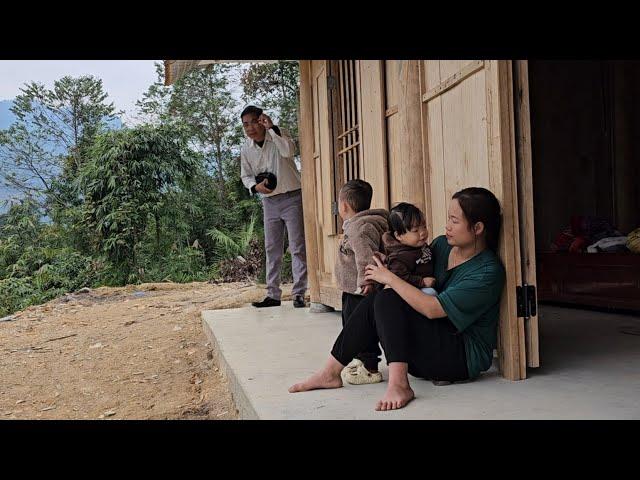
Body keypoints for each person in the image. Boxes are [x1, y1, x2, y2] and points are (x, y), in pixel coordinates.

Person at [289, 187, 506, 411]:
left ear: (478, 228)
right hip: (430, 344)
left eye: (454, 221)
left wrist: (390, 278)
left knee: (388, 297)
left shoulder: (487, 271)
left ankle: (400, 384)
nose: (447, 226)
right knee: (377, 298)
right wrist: (387, 263)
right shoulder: (441, 245)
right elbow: (410, 262)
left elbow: (433, 309)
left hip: (459, 359)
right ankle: (330, 373)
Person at [239, 105, 307, 309]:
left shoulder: (278, 134)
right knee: (272, 248)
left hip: (292, 197)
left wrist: (272, 129)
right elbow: (245, 175)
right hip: (269, 202)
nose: (250, 128)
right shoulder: (246, 149)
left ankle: (299, 293)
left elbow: (289, 151)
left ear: (262, 119)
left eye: (253, 122)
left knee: (297, 247)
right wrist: (255, 186)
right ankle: (273, 295)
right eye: (245, 124)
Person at [333, 179, 389, 385]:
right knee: (354, 326)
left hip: (358, 289)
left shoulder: (359, 228)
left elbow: (365, 255)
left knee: (356, 327)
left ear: (344, 205)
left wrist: (366, 281)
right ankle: (362, 361)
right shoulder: (366, 222)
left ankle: (368, 367)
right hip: (355, 287)